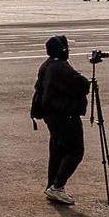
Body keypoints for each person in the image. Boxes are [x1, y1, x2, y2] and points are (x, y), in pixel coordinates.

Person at [31, 35, 91, 206]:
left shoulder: (49, 64)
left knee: (57, 151)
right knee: (75, 151)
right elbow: (83, 85)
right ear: (63, 50)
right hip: (65, 116)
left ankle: (52, 186)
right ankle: (57, 187)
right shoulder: (60, 68)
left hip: (53, 116)